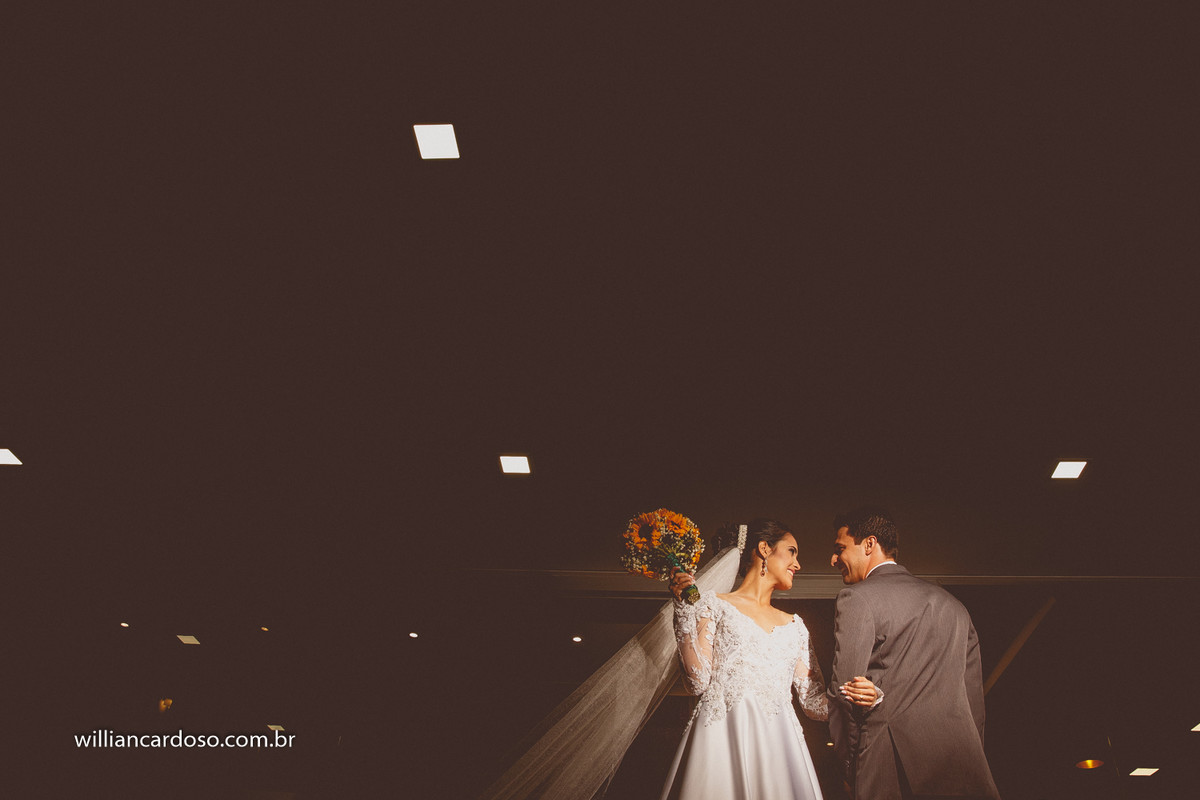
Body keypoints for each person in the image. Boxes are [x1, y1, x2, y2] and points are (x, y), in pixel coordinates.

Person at [665, 519, 880, 800]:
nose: (798, 564)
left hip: (779, 747)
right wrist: (683, 610)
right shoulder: (712, 605)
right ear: (764, 548)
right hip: (721, 739)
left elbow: (814, 703)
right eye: (792, 551)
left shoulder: (796, 627)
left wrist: (859, 696)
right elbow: (697, 681)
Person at [827, 507, 1000, 800]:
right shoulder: (954, 605)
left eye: (840, 548)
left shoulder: (857, 598)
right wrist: (971, 752)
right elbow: (974, 702)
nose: (833, 559)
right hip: (964, 768)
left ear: (869, 544)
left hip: (891, 768)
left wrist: (851, 765)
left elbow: (845, 691)